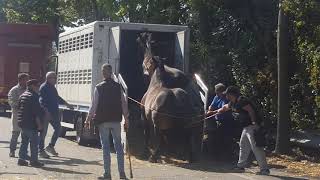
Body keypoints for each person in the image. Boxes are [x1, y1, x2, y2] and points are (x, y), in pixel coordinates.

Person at [209, 86, 270, 175]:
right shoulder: (233, 102)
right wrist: (214, 112)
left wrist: (254, 123)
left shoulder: (242, 101)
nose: (226, 96)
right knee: (243, 145)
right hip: (246, 127)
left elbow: (251, 110)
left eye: (227, 94)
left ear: (231, 94)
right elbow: (225, 107)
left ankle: (264, 169)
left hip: (252, 126)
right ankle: (241, 166)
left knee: (256, 147)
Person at [85, 63, 129, 180]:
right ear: (111, 72)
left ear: (103, 73)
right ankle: (122, 173)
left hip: (103, 121)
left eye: (103, 71)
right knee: (118, 147)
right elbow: (124, 104)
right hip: (116, 120)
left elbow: (94, 106)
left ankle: (107, 174)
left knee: (106, 147)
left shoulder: (98, 87)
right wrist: (127, 119)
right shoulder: (118, 87)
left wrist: (88, 119)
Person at [39, 72, 73, 158]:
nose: (55, 80)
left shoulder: (52, 87)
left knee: (58, 129)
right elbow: (41, 102)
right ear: (48, 78)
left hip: (54, 113)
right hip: (46, 114)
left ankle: (50, 146)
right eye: (54, 78)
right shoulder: (43, 87)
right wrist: (46, 112)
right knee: (43, 133)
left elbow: (57, 98)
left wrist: (66, 104)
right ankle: (40, 150)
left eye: (55, 78)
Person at [17, 79, 44, 167]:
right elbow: (36, 113)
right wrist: (39, 125)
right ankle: (34, 161)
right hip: (31, 124)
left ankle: (21, 159)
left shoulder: (22, 95)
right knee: (34, 144)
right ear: (32, 86)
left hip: (22, 123)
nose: (38, 88)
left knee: (24, 142)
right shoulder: (34, 96)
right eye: (37, 86)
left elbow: (18, 108)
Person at [206, 83, 235, 160]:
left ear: (221, 91)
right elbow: (212, 106)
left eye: (217, 92)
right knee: (215, 138)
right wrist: (209, 110)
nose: (216, 94)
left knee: (225, 138)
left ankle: (227, 155)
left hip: (226, 121)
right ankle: (217, 155)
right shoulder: (216, 97)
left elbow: (222, 110)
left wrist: (212, 113)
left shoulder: (227, 98)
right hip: (218, 121)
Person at [8, 73, 29, 158]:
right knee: (15, 134)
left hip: (27, 116)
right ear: (20, 80)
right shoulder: (14, 90)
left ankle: (24, 152)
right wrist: (22, 105)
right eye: (26, 80)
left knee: (25, 135)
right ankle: (12, 151)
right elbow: (12, 102)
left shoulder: (28, 89)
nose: (27, 81)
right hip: (17, 116)